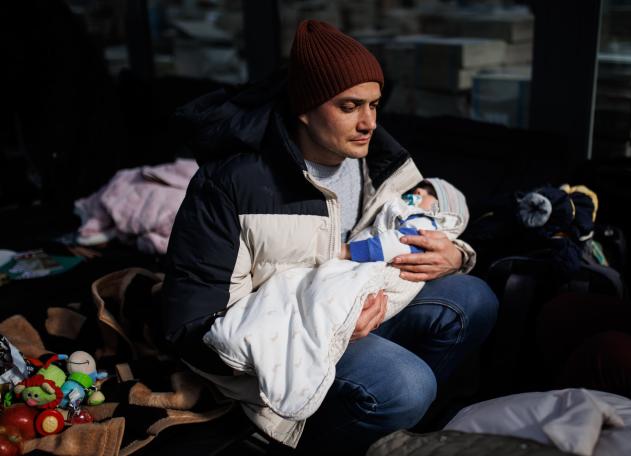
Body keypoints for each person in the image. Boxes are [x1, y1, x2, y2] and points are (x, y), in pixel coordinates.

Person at [161, 19, 499, 454]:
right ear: (304, 107)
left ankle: (384, 430)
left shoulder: (377, 160)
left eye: (375, 105)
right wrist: (332, 333)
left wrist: (455, 256)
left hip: (361, 311)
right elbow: (189, 327)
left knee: (474, 297)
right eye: (350, 106)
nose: (369, 123)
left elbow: (417, 222)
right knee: (407, 383)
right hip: (286, 345)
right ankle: (312, 436)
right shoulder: (232, 183)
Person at [342, 178, 469, 263]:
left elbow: (399, 243)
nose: (419, 191)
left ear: (448, 217)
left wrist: (348, 251)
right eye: (420, 187)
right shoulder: (406, 216)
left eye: (431, 193)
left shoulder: (427, 225)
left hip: (360, 261)